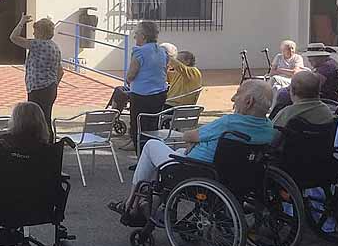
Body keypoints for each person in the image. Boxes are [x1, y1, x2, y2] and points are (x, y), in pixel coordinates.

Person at [109, 79, 276, 216]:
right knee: (176, 152)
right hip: (236, 175)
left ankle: (131, 203)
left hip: (199, 172)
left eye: (238, 94)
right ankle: (148, 204)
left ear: (249, 102)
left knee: (152, 146)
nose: (233, 99)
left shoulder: (229, 123)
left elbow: (189, 135)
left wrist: (193, 141)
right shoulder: (268, 127)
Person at [123, 21, 169, 152]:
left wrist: (127, 79)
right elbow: (164, 71)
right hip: (159, 94)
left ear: (143, 36)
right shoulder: (162, 51)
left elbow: (131, 75)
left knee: (138, 127)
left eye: (136, 33)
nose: (134, 37)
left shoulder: (139, 51)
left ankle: (141, 159)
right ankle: (152, 156)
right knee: (152, 127)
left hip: (141, 95)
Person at [0, 101, 53, 178]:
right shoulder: (47, 149)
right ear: (42, 121)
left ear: (14, 120)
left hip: (1, 188)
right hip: (37, 189)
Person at [10, 16, 63, 122]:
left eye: (36, 31)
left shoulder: (38, 44)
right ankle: (49, 138)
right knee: (46, 118)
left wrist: (22, 22)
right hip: (50, 88)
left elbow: (13, 38)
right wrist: (54, 84)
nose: (34, 34)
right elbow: (60, 71)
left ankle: (39, 138)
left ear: (42, 32)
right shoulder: (55, 47)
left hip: (38, 89)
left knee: (36, 121)